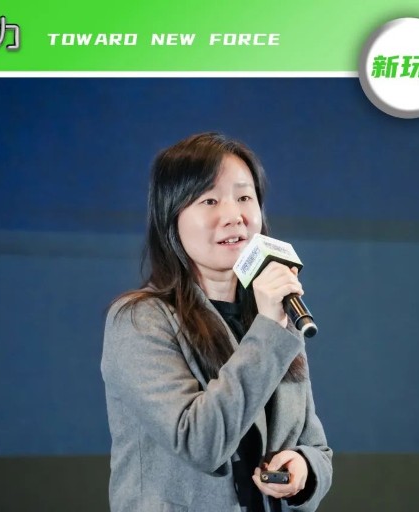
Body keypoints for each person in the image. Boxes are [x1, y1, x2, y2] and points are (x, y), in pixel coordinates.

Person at [101, 132, 332, 512]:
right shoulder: (140, 320)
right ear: (171, 216)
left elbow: (315, 445)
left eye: (244, 198)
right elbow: (200, 443)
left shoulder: (273, 315)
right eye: (209, 200)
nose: (233, 216)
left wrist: (304, 468)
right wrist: (269, 329)